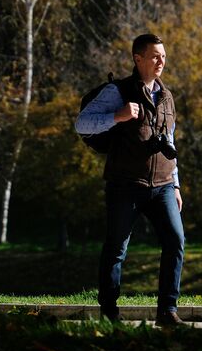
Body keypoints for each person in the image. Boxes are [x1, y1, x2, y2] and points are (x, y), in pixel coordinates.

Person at [75, 34, 185, 326]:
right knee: (116, 249)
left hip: (162, 185)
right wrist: (118, 116)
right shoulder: (118, 91)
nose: (161, 61)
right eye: (154, 56)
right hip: (125, 184)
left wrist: (175, 184)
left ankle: (167, 311)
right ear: (138, 59)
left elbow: (170, 139)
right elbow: (81, 123)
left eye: (163, 55)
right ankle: (109, 311)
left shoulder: (167, 95)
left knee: (175, 240)